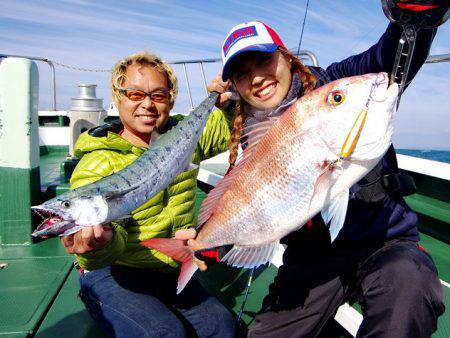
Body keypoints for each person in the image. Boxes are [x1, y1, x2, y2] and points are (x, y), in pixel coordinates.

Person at [179, 2, 448, 337]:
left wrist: (416, 18)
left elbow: (387, 58)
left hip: (384, 240)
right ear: (234, 84)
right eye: (242, 73)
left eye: (264, 61)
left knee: (409, 287)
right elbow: (255, 209)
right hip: (311, 258)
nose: (258, 78)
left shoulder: (335, 83)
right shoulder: (252, 134)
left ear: (288, 58)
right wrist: (208, 241)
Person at [60, 51, 236, 338]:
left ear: (171, 99)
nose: (147, 104)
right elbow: (95, 255)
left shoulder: (182, 136)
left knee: (223, 328)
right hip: (115, 273)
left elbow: (225, 131)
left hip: (171, 267)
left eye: (158, 95)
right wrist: (99, 244)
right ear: (118, 98)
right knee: (164, 334)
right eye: (134, 94)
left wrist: (226, 102)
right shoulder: (98, 162)